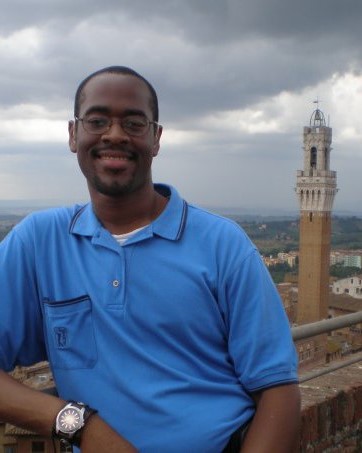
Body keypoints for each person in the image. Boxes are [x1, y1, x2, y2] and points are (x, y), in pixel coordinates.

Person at [0, 66, 301, 452]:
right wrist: (79, 425)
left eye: (134, 122)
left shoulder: (223, 244)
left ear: (156, 138)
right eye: (96, 120)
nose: (114, 134)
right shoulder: (39, 242)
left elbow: (277, 389)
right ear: (74, 135)